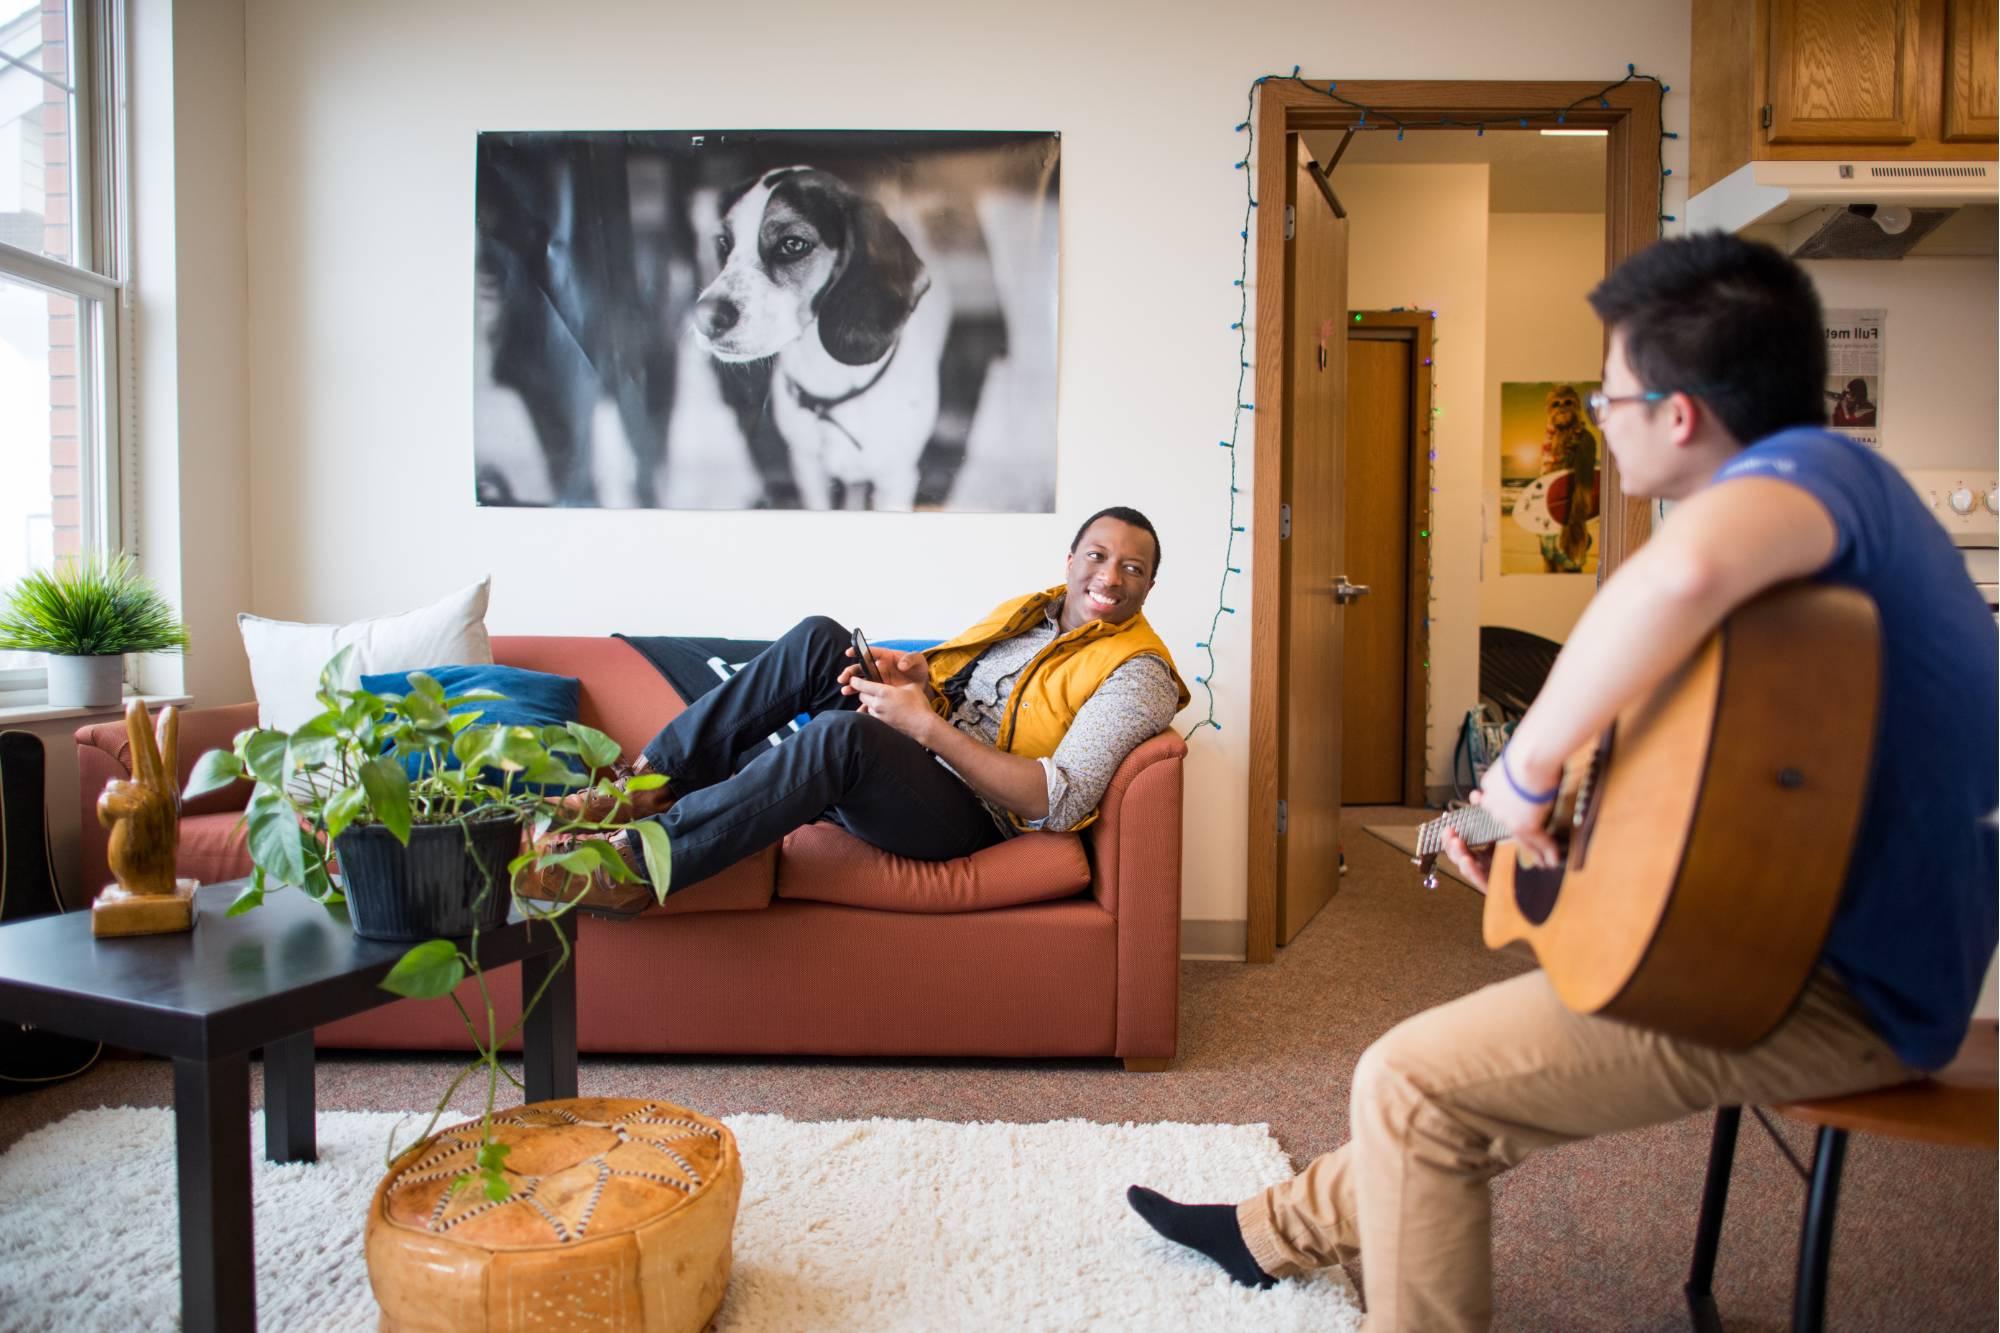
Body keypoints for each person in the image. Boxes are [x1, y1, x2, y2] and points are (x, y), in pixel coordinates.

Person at [1126, 235, 1998, 1330]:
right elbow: (1717, 762)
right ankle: (1271, 1235)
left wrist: (1522, 774)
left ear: (1676, 414)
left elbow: (1676, 576)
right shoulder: (1825, 533)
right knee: (1450, 1094)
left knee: (1412, 1082)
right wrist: (1531, 804)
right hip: (1786, 931)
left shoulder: (1814, 477)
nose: (1596, 414)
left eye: (1607, 393)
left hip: (1824, 981)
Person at [526, 506, 1188, 910]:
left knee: (841, 739)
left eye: (1133, 568)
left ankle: (634, 864)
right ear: (1070, 559)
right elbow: (979, 696)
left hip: (979, 814)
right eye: (1098, 556)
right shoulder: (1032, 614)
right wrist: (920, 679)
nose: (1109, 576)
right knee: (821, 640)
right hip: (928, 760)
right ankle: (643, 788)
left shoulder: (1140, 672)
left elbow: (1059, 799)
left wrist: (920, 722)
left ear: (1150, 585)